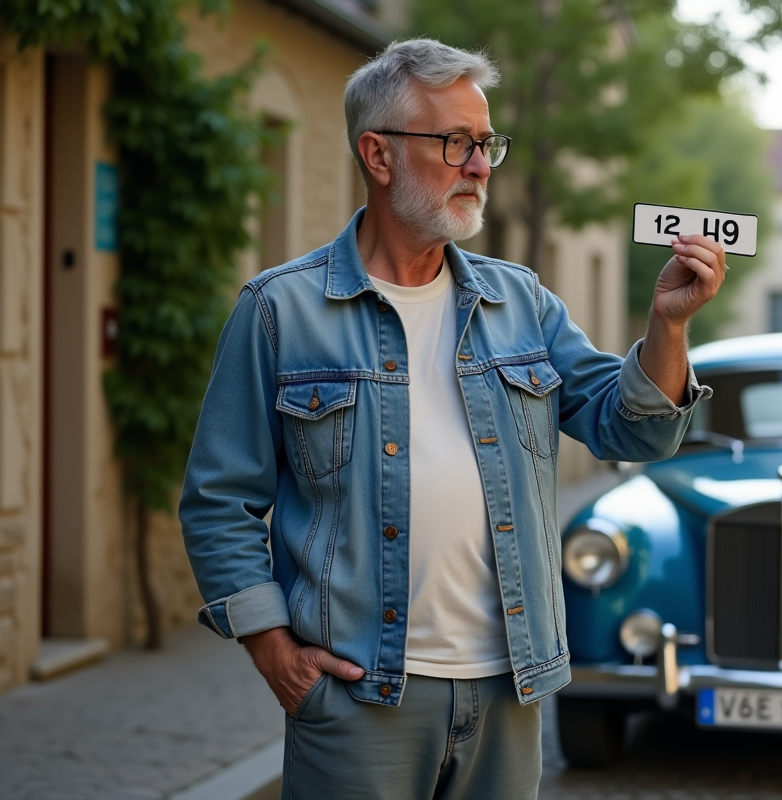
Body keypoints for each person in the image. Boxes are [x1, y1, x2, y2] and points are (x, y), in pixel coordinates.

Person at [179, 38, 726, 800]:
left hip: (508, 691)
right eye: (456, 143)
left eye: (486, 144)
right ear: (378, 154)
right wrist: (274, 651)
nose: (479, 166)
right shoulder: (280, 311)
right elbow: (218, 500)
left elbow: (632, 428)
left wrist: (669, 325)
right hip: (358, 700)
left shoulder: (521, 302)